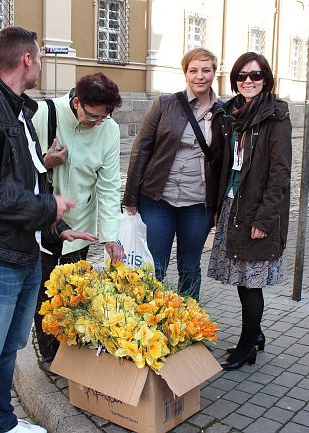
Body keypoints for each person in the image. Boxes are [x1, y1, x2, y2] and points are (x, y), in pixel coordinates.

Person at [0, 27, 95, 433]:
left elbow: (27, 181)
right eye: (40, 57)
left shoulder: (20, 111)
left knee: (7, 351)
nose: (42, 64)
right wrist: (45, 206)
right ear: (27, 58)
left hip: (24, 252)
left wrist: (56, 226)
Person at [31, 72, 124, 366]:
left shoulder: (109, 129)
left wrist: (110, 236)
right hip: (43, 223)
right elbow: (18, 169)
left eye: (104, 118)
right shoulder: (44, 114)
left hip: (80, 226)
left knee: (73, 292)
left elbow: (109, 186)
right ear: (76, 103)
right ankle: (49, 353)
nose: (98, 123)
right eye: (92, 117)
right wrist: (45, 162)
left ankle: (69, 347)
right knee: (44, 293)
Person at [207, 52, 292, 371]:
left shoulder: (276, 117)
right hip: (233, 206)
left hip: (256, 212)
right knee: (242, 278)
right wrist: (218, 206)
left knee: (252, 280)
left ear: (266, 80)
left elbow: (280, 174)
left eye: (255, 76)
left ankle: (247, 346)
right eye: (242, 76)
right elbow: (227, 167)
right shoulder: (232, 114)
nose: (248, 81)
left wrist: (264, 219)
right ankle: (255, 335)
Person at [122, 47, 224, 300]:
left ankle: (187, 326)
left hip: (198, 203)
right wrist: (130, 199)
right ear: (185, 73)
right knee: (155, 265)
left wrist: (222, 206)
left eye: (206, 70)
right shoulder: (165, 104)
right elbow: (141, 150)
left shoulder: (225, 112)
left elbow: (226, 162)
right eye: (193, 70)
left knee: (190, 266)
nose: (200, 76)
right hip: (158, 199)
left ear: (214, 73)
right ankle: (150, 324)